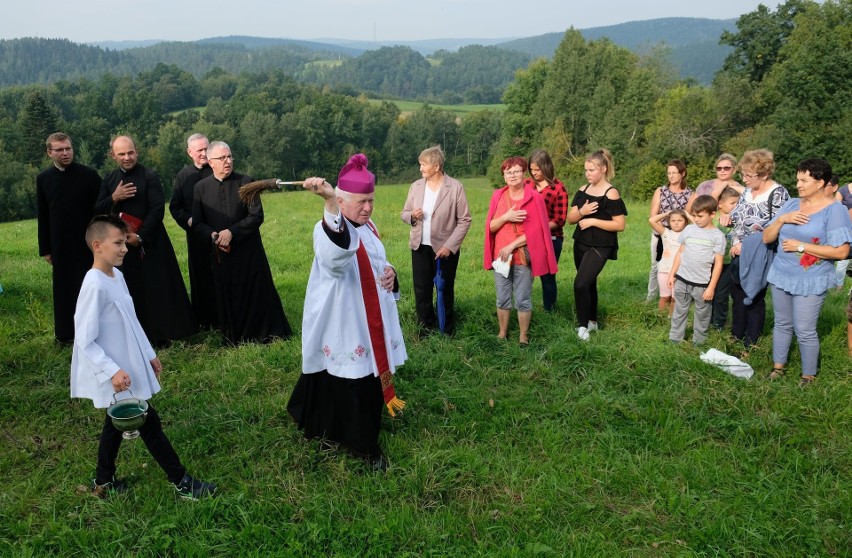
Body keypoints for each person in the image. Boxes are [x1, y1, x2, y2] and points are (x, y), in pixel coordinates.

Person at [71, 215, 215, 500]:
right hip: (116, 373)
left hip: (129, 365)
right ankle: (182, 482)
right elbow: (85, 338)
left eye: (125, 242)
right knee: (148, 421)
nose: (124, 248)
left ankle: (104, 481)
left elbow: (131, 319)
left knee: (115, 422)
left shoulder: (117, 276)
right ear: (97, 245)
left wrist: (149, 354)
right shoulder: (94, 284)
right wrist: (112, 370)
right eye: (118, 243)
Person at [288, 154, 407, 471]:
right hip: (342, 318)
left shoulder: (370, 226)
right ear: (341, 199)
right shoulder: (326, 229)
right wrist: (329, 204)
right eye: (361, 202)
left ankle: (330, 429)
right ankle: (363, 447)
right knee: (351, 380)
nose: (368, 208)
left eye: (371, 200)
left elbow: (378, 259)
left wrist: (391, 273)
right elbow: (335, 258)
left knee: (354, 377)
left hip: (367, 316)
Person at [95, 135, 197, 345]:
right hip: (121, 246)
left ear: (137, 152)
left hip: (151, 241)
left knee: (157, 287)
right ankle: (135, 336)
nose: (127, 157)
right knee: (130, 290)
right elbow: (98, 210)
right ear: (113, 155)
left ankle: (165, 334)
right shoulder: (109, 180)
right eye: (121, 154)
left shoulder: (149, 176)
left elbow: (157, 209)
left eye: (130, 152)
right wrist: (115, 198)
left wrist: (139, 236)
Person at [762, 158, 852, 386]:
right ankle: (778, 368)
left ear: (820, 182)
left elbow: (842, 252)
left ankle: (808, 376)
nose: (798, 184)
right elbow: (766, 238)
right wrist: (782, 219)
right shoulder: (791, 204)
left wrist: (801, 246)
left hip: (810, 279)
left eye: (804, 180)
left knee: (804, 328)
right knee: (782, 323)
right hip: (782, 274)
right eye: (797, 179)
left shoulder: (835, 211)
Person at [192, 141, 291, 345]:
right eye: (222, 158)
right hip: (221, 252)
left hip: (248, 250)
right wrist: (214, 236)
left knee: (255, 291)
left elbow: (256, 216)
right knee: (228, 294)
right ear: (211, 162)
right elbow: (198, 223)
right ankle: (236, 336)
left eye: (229, 156)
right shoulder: (200, 188)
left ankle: (264, 334)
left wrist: (232, 232)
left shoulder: (246, 182)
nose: (227, 161)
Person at [483, 157, 557, 345]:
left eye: (516, 171)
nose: (512, 175)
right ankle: (502, 332)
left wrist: (512, 245)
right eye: (508, 172)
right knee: (502, 297)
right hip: (501, 257)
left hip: (523, 255)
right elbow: (490, 227)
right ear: (504, 175)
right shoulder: (497, 196)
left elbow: (539, 230)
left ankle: (523, 335)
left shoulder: (534, 197)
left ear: (524, 173)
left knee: (523, 298)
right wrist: (507, 217)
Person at [36, 132, 101, 344]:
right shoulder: (44, 179)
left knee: (89, 287)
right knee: (64, 290)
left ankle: (94, 332)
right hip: (60, 244)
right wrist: (45, 248)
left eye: (68, 148)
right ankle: (66, 335)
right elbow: (43, 215)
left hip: (87, 243)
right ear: (49, 153)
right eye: (60, 150)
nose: (66, 153)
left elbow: (101, 210)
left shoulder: (89, 176)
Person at [400, 146, 471, 334]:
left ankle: (446, 329)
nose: (420, 169)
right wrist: (412, 216)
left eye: (424, 164)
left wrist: (450, 246)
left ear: (437, 166)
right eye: (420, 164)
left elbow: (464, 220)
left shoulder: (455, 187)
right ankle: (425, 327)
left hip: (444, 249)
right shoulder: (415, 186)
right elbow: (404, 213)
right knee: (421, 289)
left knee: (445, 289)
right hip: (420, 247)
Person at [728, 148, 790, 348]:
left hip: (761, 253)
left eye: (748, 175)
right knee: (737, 294)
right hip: (738, 251)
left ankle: (751, 342)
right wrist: (734, 234)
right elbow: (739, 218)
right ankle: (736, 336)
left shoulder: (778, 194)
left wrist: (746, 246)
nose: (744, 179)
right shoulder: (746, 192)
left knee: (753, 296)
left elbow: (777, 227)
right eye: (742, 174)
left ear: (763, 175)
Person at [567, 149, 627, 341]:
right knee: (588, 283)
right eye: (586, 170)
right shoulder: (583, 190)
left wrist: (593, 221)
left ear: (603, 169)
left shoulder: (611, 193)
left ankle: (582, 327)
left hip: (601, 245)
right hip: (581, 242)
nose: (588, 173)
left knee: (580, 283)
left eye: (591, 169)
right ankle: (592, 321)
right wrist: (583, 212)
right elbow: (570, 219)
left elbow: (620, 225)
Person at [169, 133, 218, 329]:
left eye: (207, 148)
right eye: (200, 150)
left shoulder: (217, 170)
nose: (204, 154)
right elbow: (175, 207)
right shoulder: (183, 176)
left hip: (218, 231)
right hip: (196, 235)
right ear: (190, 152)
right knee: (201, 274)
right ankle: (205, 319)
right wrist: (190, 221)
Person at [667, 195, 726, 345]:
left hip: (702, 284)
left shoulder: (718, 236)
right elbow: (680, 252)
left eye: (700, 216)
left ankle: (699, 342)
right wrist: (672, 274)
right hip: (682, 279)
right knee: (679, 310)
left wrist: (711, 287)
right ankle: (675, 338)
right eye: (694, 215)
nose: (696, 219)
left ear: (712, 214)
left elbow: (718, 263)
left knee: (702, 314)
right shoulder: (689, 230)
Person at [525, 149, 569, 312]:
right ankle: (523, 308)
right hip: (525, 237)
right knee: (523, 275)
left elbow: (559, 220)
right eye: (532, 170)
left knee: (547, 277)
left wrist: (538, 229)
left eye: (538, 169)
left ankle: (549, 310)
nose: (534, 173)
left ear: (547, 167)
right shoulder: (527, 185)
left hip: (551, 238)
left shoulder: (558, 188)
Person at [647, 160, 692, 302]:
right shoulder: (661, 191)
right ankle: (651, 296)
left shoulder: (690, 193)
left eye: (674, 173)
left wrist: (678, 232)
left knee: (680, 265)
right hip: (661, 232)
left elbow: (688, 216)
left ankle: (677, 296)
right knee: (657, 265)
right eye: (669, 173)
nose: (671, 176)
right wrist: (664, 231)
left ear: (682, 174)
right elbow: (653, 215)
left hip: (680, 235)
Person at [710, 186, 742, 329]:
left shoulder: (739, 219)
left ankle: (719, 323)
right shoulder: (712, 218)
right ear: (720, 204)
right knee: (709, 292)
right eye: (732, 203)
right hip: (711, 263)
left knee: (721, 294)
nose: (736, 206)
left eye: (738, 203)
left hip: (728, 263)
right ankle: (707, 320)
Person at [648, 209, 689, 315]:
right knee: (664, 297)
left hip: (680, 272)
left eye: (680, 220)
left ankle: (671, 318)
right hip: (664, 270)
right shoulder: (665, 232)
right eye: (673, 220)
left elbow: (698, 226)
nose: (676, 223)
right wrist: (667, 214)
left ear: (686, 221)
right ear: (669, 221)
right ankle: (660, 316)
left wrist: (687, 214)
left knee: (675, 299)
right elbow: (652, 220)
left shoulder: (688, 234)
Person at [831, 176, 852, 289]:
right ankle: (839, 286)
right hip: (847, 229)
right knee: (842, 261)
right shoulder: (843, 190)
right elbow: (835, 209)